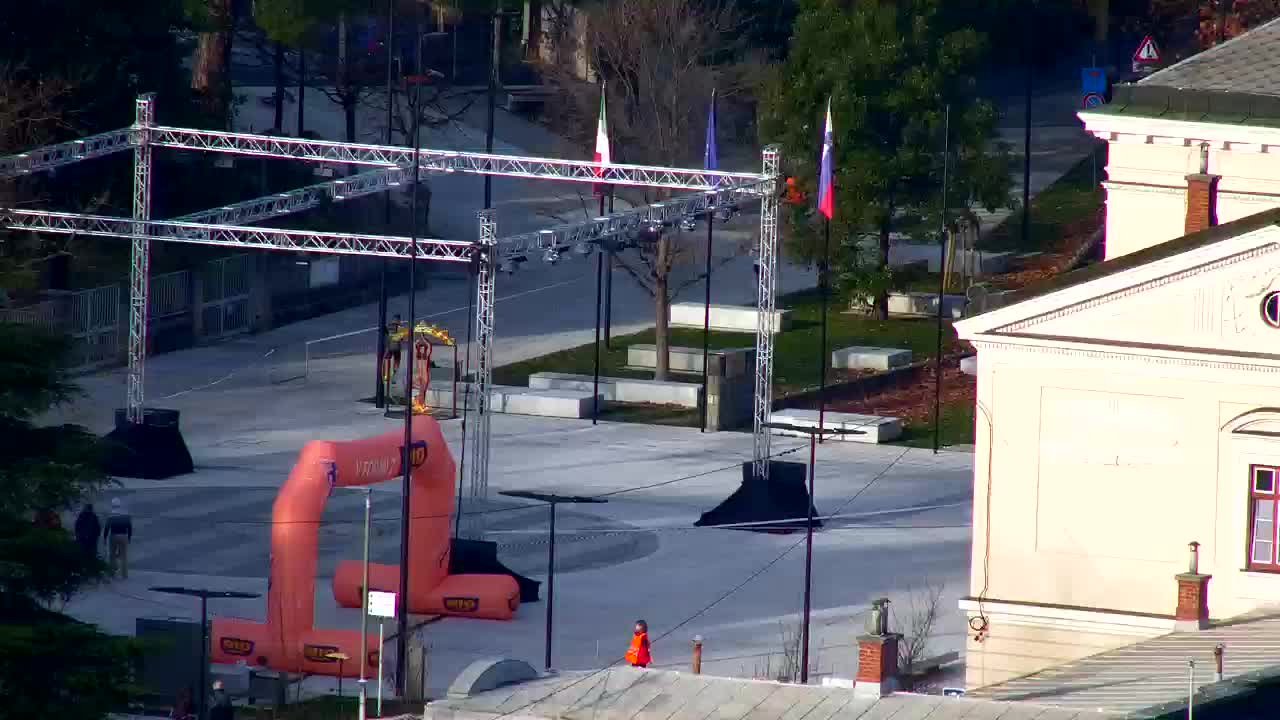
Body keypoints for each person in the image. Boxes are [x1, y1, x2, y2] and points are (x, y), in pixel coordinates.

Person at [103, 498, 133, 579]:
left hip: (113, 535)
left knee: (112, 555)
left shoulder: (111, 515)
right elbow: (129, 527)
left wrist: (105, 538)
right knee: (124, 556)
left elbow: (107, 528)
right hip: (123, 535)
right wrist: (129, 537)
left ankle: (112, 573)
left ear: (112, 505)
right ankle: (124, 574)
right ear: (120, 504)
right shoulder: (125, 514)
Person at [384, 313, 404, 387]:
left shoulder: (388, 326)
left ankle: (386, 376)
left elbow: (385, 335)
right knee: (396, 361)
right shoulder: (400, 327)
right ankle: (394, 378)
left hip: (389, 347)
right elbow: (401, 338)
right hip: (397, 347)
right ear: (399, 320)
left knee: (387, 360)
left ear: (393, 319)